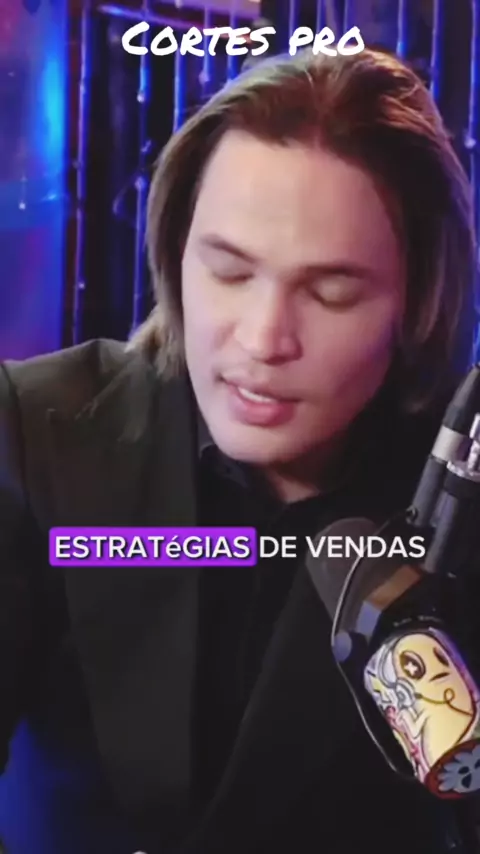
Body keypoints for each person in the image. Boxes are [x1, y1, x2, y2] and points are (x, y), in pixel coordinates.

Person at [0, 46, 477, 854]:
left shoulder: (459, 497)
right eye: (227, 272)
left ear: (421, 298)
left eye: (330, 292)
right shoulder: (32, 430)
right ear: (175, 249)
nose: (261, 340)